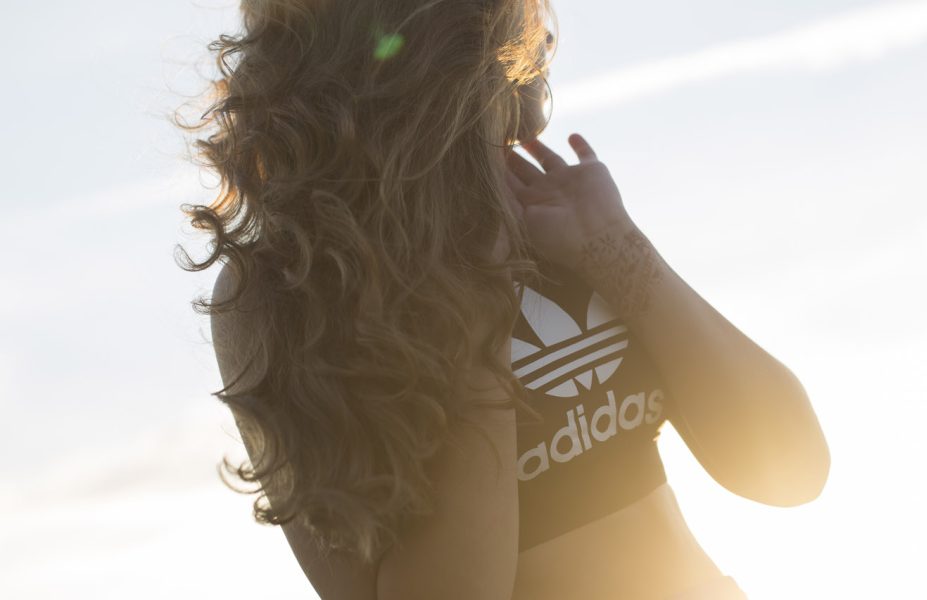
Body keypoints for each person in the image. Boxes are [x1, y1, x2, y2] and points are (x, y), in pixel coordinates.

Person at [177, 0, 830, 598]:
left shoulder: (550, 219)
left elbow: (792, 468)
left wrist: (621, 249)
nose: (538, 39)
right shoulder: (283, 290)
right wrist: (477, 307)